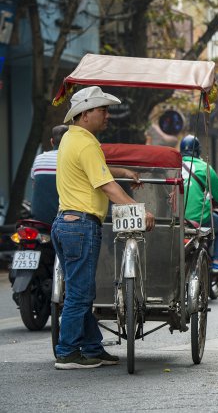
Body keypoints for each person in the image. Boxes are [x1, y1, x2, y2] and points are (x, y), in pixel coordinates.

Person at [52, 86, 155, 370]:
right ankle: (67, 351)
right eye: (102, 110)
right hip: (80, 226)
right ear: (85, 114)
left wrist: (122, 172)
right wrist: (141, 209)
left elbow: (96, 172)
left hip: (66, 224)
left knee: (80, 289)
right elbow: (108, 187)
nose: (107, 116)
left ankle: (91, 347)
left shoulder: (72, 139)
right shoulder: (86, 143)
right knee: (80, 293)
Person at [180, 135, 218, 276]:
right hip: (197, 218)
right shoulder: (205, 168)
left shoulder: (172, 166)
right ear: (198, 151)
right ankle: (217, 261)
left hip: (174, 218)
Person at [30, 125, 68, 225]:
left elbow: (34, 185)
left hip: (38, 219)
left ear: (52, 141)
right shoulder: (72, 160)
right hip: (63, 221)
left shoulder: (39, 158)